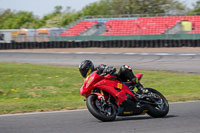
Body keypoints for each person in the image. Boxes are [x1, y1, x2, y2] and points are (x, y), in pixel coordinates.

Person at [79, 60, 148, 94]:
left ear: (89, 67)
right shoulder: (88, 80)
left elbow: (109, 68)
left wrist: (108, 69)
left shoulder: (99, 68)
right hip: (107, 89)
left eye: (84, 70)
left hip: (117, 81)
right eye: (82, 71)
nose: (83, 73)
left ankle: (140, 88)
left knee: (125, 68)